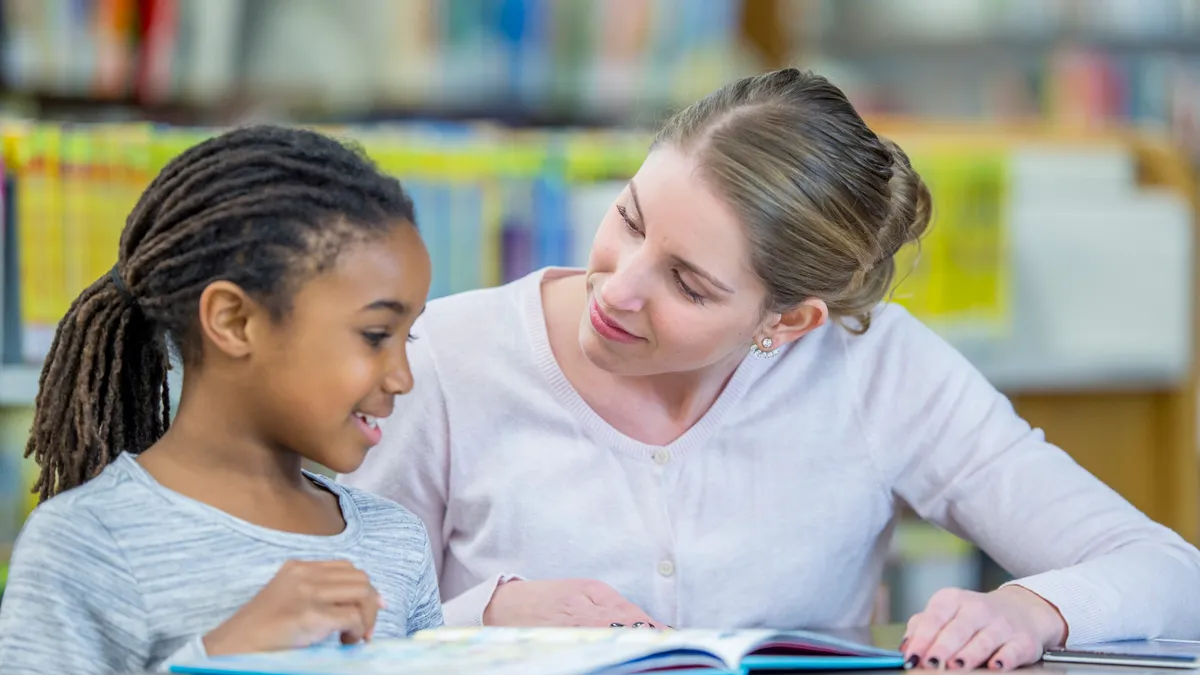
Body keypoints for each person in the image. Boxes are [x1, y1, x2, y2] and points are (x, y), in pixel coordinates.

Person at [340, 67, 1200, 671]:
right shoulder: (445, 358)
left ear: (788, 321)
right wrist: (478, 618)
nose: (620, 285)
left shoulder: (876, 368)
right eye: (630, 217)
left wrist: (1031, 609)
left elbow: (1167, 571)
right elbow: (313, 635)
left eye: (688, 282)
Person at [0, 125, 443, 675]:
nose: (402, 377)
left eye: (410, 337)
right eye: (376, 335)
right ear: (234, 322)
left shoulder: (395, 540)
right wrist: (217, 658)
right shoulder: (88, 543)